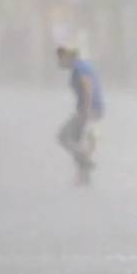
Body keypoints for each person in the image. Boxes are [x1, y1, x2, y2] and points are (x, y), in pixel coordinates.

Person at [56, 46, 105, 185]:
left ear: (66, 56)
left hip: (87, 109)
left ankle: (84, 162)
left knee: (63, 136)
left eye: (60, 58)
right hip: (92, 108)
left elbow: (87, 86)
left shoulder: (78, 68)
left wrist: (86, 111)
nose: (59, 63)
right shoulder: (82, 65)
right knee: (78, 141)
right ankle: (83, 176)